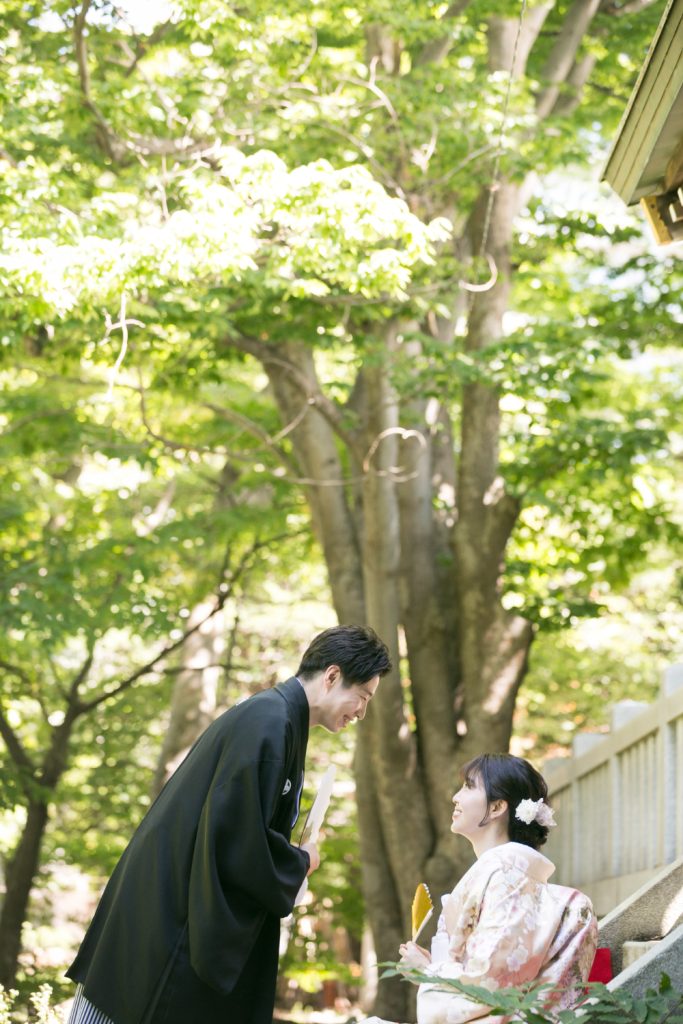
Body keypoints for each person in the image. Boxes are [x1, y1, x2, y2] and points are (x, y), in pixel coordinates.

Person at [66, 624, 391, 1024]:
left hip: (165, 907)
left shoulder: (274, 717)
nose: (361, 712)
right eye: (362, 697)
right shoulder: (270, 723)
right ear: (332, 677)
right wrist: (299, 862)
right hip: (169, 920)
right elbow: (236, 841)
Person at [365, 753, 597, 1024]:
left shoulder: (509, 875)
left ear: (498, 807)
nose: (456, 797)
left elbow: (492, 979)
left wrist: (429, 971)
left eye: (468, 786)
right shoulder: (503, 872)